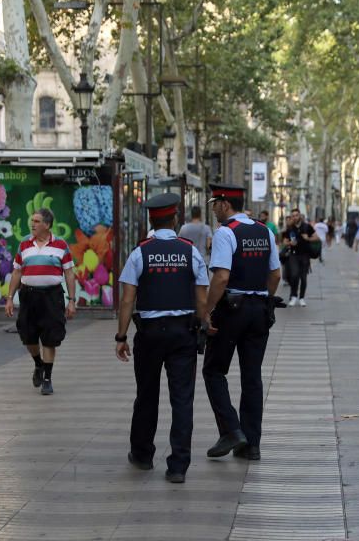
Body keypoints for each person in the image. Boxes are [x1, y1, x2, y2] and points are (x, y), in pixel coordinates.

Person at [116, 193, 209, 484]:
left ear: (151, 220)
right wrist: (203, 323)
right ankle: (178, 466)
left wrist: (121, 336)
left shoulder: (139, 252)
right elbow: (201, 296)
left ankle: (142, 455)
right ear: (175, 218)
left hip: (149, 334)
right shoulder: (190, 251)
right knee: (182, 400)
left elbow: (128, 299)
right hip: (183, 334)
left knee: (146, 395)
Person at [203, 183, 282, 462]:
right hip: (259, 310)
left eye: (214, 204)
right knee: (252, 377)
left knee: (213, 371)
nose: (213, 210)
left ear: (225, 204)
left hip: (231, 311)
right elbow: (275, 274)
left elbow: (221, 277)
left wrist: (206, 310)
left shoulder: (226, 232)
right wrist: (264, 300)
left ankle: (231, 430)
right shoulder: (264, 231)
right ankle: (252, 445)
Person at [5, 208, 77, 395]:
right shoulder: (24, 245)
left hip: (52, 297)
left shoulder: (61, 245)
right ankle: (38, 364)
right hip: (28, 296)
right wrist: (10, 298)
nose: (33, 224)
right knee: (28, 336)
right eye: (33, 221)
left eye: (36, 221)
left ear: (47, 224)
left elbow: (69, 273)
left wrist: (71, 300)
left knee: (50, 337)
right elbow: (17, 272)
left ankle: (47, 379)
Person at [282, 209, 318, 306]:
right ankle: (293, 296)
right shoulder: (289, 228)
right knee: (294, 275)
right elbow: (284, 241)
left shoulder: (307, 227)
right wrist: (290, 243)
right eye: (293, 216)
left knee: (303, 278)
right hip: (293, 255)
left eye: (296, 215)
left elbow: (317, 237)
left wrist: (308, 238)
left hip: (305, 255)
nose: (295, 217)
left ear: (300, 216)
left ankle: (301, 298)